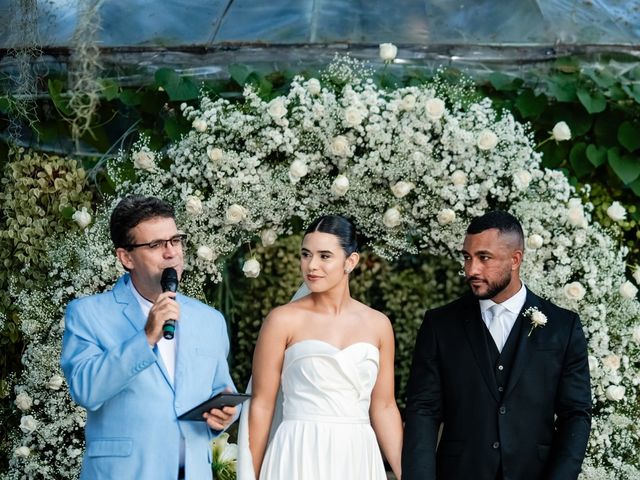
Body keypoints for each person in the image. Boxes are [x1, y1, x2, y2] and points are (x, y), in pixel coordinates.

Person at [402, 210, 591, 480]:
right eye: (467, 257)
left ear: (515, 259)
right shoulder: (439, 324)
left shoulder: (563, 326)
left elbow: (576, 414)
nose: (471, 269)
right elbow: (423, 410)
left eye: (484, 258)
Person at [61, 195, 238, 480]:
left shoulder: (210, 320)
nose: (171, 253)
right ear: (126, 257)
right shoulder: (87, 314)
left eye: (175, 240)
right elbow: (86, 390)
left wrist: (225, 414)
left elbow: (222, 390)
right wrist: (146, 338)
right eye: (156, 245)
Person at [242, 214, 403, 479]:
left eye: (324, 256)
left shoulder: (378, 325)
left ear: (350, 261)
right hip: (297, 451)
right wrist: (250, 475)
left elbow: (384, 407)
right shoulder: (282, 320)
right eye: (306, 254)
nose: (311, 265)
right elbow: (262, 405)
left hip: (356, 454)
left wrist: (407, 472)